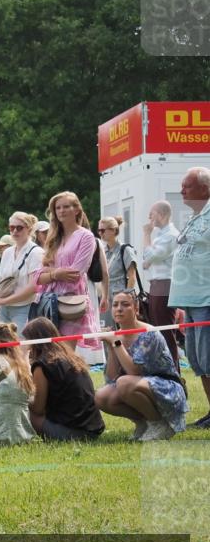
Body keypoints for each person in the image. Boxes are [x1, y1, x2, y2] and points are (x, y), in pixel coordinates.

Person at [95, 291, 188, 440]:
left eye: (125, 305)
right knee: (101, 396)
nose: (119, 309)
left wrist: (116, 343)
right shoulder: (116, 336)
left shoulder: (148, 333)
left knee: (124, 382)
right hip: (137, 386)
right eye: (115, 305)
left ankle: (159, 424)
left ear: (136, 309)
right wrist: (112, 345)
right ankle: (143, 422)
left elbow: (133, 371)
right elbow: (111, 378)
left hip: (168, 388)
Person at [31, 192, 102, 358]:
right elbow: (36, 276)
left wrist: (51, 273)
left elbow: (75, 273)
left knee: (64, 356)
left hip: (70, 301)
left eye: (66, 206)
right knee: (46, 355)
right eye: (58, 208)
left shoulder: (86, 236)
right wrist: (56, 273)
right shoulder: (53, 237)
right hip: (48, 302)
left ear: (76, 210)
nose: (61, 211)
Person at [169, 166, 210, 428]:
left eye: (187, 186)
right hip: (191, 301)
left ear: (205, 189)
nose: (182, 190)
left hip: (207, 300)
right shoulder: (194, 217)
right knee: (198, 362)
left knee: (209, 359)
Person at [23, 317, 105, 441]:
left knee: (21, 411)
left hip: (73, 433)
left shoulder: (42, 365)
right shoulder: (72, 357)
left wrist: (23, 400)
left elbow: (38, 409)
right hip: (94, 428)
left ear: (34, 342)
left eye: (27, 340)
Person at [0, 212, 43, 333]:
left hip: (24, 308)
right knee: (4, 348)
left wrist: (2, 301)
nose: (14, 231)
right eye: (12, 227)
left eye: (19, 228)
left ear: (29, 229)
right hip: (4, 309)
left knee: (20, 348)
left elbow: (33, 286)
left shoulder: (36, 252)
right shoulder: (7, 252)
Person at [142, 201, 181, 367]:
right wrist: (149, 257)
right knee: (158, 328)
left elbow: (150, 257)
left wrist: (146, 235)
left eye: (152, 213)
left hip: (164, 284)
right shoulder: (161, 235)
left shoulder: (170, 235)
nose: (149, 217)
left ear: (162, 215)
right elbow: (148, 258)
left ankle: (174, 370)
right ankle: (165, 366)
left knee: (165, 329)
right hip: (157, 283)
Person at [98, 216, 138, 329]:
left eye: (103, 230)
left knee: (123, 328)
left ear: (114, 230)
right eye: (99, 230)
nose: (100, 233)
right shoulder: (103, 250)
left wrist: (127, 298)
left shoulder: (125, 249)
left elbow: (132, 276)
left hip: (120, 295)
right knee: (107, 329)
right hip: (105, 296)